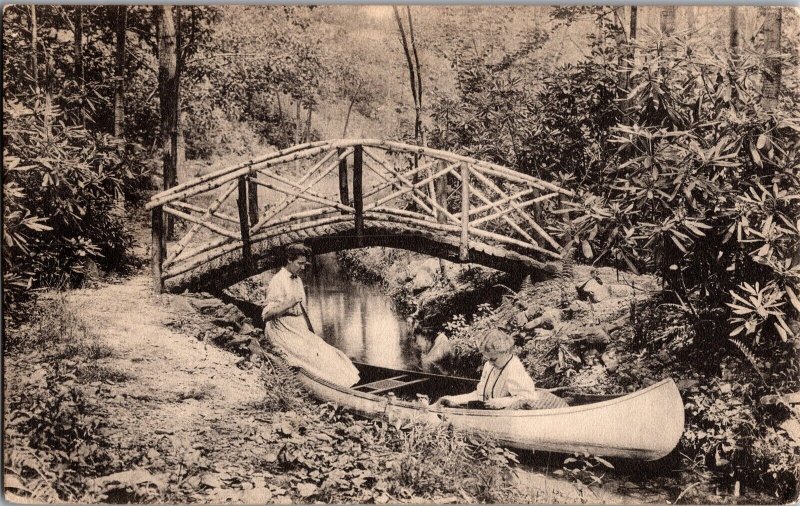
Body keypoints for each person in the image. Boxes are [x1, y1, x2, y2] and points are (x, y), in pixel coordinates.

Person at [261, 244, 359, 387]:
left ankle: (344, 386)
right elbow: (266, 316)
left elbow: (302, 311)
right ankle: (330, 387)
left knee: (330, 353)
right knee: (313, 358)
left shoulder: (298, 279)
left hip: (298, 330)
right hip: (282, 332)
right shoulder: (278, 281)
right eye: (299, 263)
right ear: (289, 259)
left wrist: (310, 334)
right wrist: (288, 304)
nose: (302, 267)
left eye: (304, 264)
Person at [433, 329, 538, 409]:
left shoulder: (514, 368)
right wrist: (454, 399)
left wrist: (501, 402)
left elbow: (528, 398)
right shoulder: (489, 365)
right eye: (488, 359)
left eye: (493, 359)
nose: (490, 363)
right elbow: (480, 395)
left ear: (506, 352)